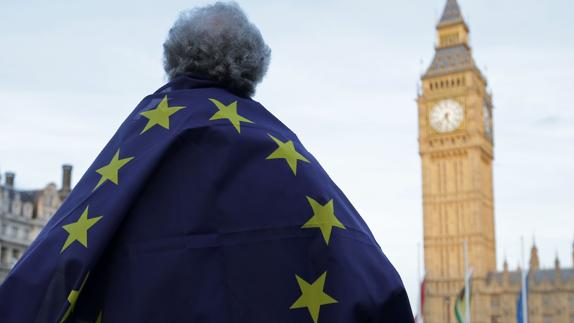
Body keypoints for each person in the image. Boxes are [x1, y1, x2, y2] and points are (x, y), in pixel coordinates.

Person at [0, 2, 414, 322]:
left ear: (173, 59)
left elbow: (46, 271)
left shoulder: (136, 144)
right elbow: (373, 282)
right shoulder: (284, 152)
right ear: (253, 69)